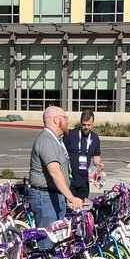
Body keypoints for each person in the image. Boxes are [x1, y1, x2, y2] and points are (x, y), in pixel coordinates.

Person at [28, 105, 83, 248]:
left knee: (58, 244)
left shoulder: (56, 139)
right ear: (56, 120)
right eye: (65, 118)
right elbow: (54, 172)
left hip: (54, 195)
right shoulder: (47, 140)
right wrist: (71, 197)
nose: (67, 121)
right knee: (48, 245)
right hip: (45, 198)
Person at [63, 110, 105, 199]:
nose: (86, 127)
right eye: (84, 124)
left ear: (93, 123)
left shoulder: (95, 138)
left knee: (82, 209)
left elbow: (96, 156)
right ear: (80, 122)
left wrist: (99, 164)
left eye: (89, 125)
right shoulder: (70, 134)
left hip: (84, 182)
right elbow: (60, 151)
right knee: (68, 209)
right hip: (69, 180)